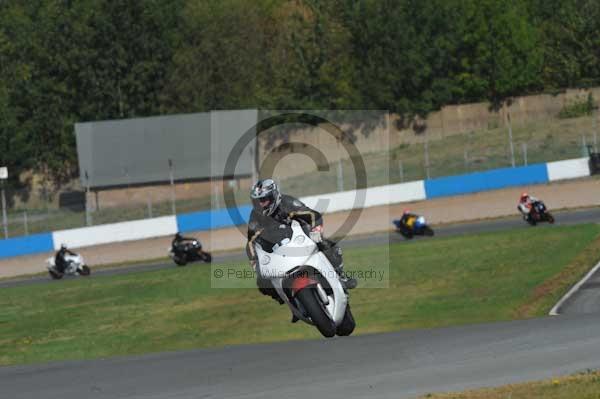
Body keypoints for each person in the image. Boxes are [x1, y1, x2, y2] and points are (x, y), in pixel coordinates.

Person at [246, 178, 357, 305]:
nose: (261, 204)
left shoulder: (288, 203)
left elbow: (313, 216)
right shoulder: (255, 217)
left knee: (328, 245)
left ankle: (340, 275)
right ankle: (287, 300)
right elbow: (250, 243)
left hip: (300, 237)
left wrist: (316, 233)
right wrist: (255, 263)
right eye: (257, 201)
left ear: (274, 195)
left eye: (264, 200)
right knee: (261, 281)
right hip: (277, 249)